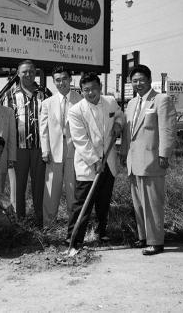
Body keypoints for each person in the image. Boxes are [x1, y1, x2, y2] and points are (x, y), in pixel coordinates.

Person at [120, 64, 177, 256]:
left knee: (153, 202)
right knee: (138, 203)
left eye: (141, 80)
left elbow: (167, 130)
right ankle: (143, 237)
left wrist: (164, 154)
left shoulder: (161, 100)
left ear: (149, 79)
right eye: (134, 81)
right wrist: (123, 153)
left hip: (152, 159)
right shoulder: (131, 104)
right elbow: (129, 133)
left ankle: (156, 242)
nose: (138, 84)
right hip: (134, 161)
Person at [66, 72, 123, 248]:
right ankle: (74, 238)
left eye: (94, 89)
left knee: (104, 201)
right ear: (81, 91)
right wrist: (95, 161)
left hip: (109, 161)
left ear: (100, 88)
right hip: (88, 163)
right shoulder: (75, 111)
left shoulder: (110, 102)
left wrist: (119, 124)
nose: (90, 93)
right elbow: (80, 140)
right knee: (82, 202)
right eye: (86, 90)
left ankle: (101, 232)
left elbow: (120, 115)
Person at [2, 60, 49, 227]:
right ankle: (18, 223)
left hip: (40, 148)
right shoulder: (9, 95)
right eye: (24, 72)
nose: (28, 75)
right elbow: (4, 123)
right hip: (18, 149)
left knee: (40, 187)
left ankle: (39, 222)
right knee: (17, 188)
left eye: (31, 71)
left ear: (35, 72)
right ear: (18, 73)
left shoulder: (45, 93)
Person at [40, 66, 82, 227]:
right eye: (58, 80)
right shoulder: (47, 103)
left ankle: (75, 226)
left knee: (73, 189)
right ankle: (48, 226)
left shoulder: (80, 100)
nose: (61, 83)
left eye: (64, 79)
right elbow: (43, 129)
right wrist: (45, 150)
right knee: (51, 190)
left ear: (70, 80)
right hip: (54, 151)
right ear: (53, 82)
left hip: (76, 150)